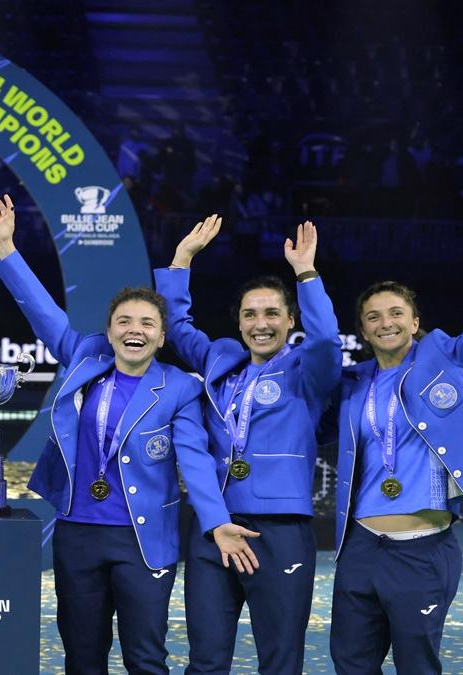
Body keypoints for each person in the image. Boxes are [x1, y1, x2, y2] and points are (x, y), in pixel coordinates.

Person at [0, 195, 257, 675]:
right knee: (83, 658)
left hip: (143, 540)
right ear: (108, 333)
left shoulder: (178, 388)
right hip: (78, 533)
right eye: (124, 322)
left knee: (145, 658)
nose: (136, 329)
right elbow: (43, 313)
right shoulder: (85, 361)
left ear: (161, 337)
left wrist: (216, 522)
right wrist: (6, 249)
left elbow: (194, 458)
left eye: (147, 323)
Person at [329, 196, 463, 673]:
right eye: (373, 317)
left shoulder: (447, 357)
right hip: (361, 546)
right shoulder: (353, 384)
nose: (386, 322)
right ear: (362, 330)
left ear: (415, 321)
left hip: (423, 547)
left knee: (417, 664)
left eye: (396, 312)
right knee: (349, 663)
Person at [154, 216, 342, 674]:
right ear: (238, 322)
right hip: (214, 528)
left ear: (290, 320)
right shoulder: (222, 359)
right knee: (205, 661)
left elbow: (325, 342)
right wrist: (182, 260)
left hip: (278, 531)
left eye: (272, 313)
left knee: (279, 662)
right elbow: (176, 325)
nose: (261, 324)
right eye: (250, 314)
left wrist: (306, 274)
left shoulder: (306, 373)